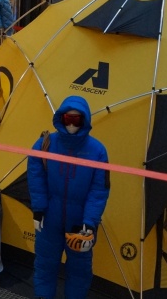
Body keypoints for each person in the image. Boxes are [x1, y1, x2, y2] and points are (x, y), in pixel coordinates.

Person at [28, 96, 110, 299]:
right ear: (60, 118)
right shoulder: (44, 144)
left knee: (79, 270)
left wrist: (90, 222)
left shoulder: (98, 151)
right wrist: (38, 208)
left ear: (86, 120)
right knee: (45, 265)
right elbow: (35, 175)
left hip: (80, 222)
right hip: (49, 217)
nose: (72, 124)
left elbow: (99, 190)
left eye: (77, 120)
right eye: (68, 119)